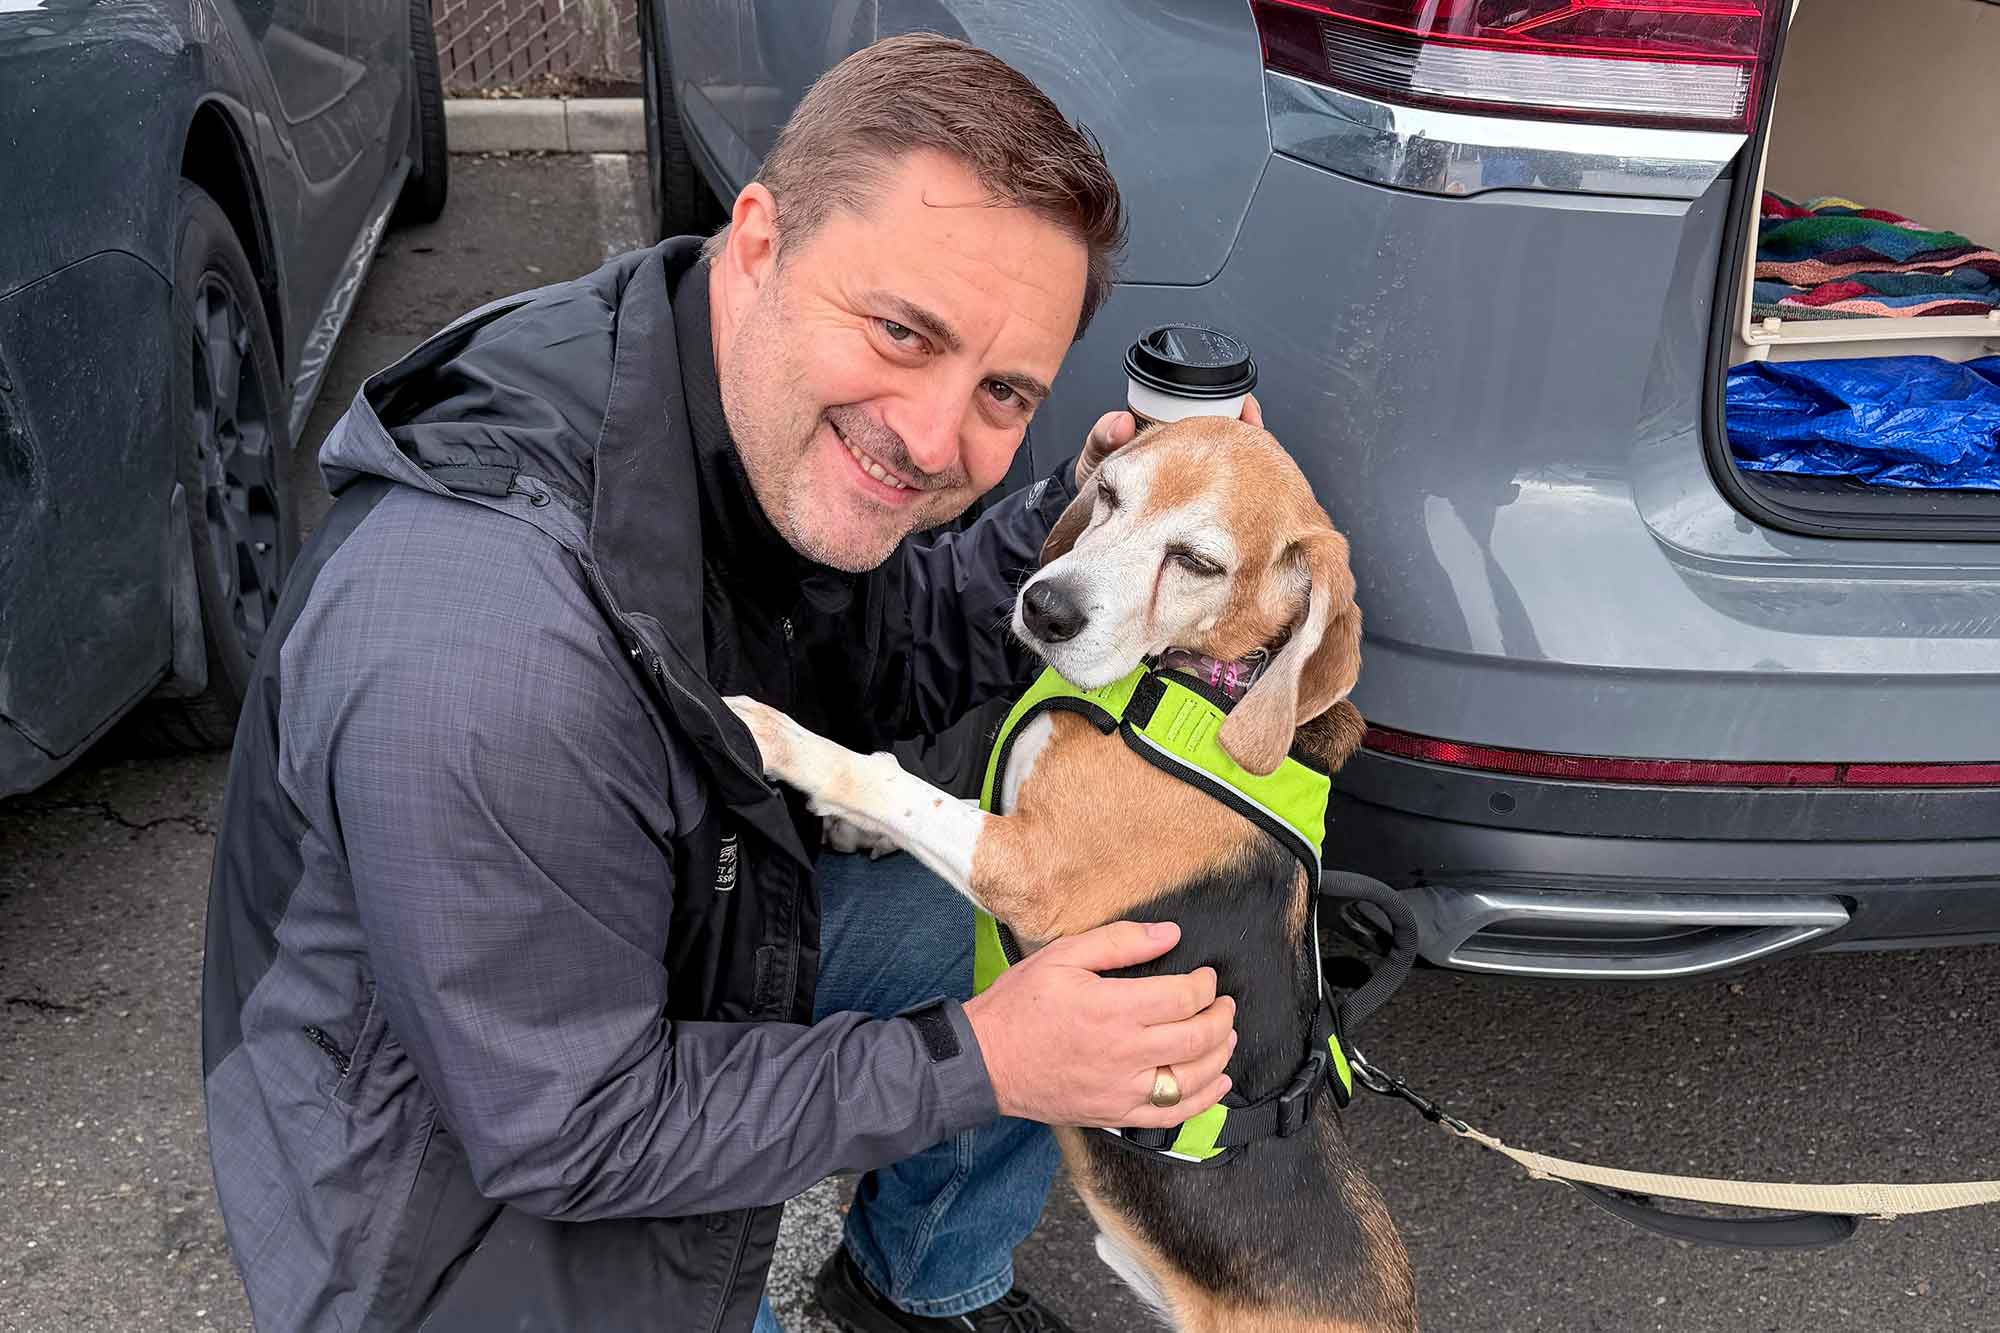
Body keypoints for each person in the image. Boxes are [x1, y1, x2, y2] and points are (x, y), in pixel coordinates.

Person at [201, 34, 1248, 1333]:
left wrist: (1087, 529)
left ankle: (918, 1285)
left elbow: (877, 640)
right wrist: (989, 1059)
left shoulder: (705, 395)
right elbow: (572, 1127)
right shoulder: (492, 653)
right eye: (902, 330)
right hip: (464, 1235)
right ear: (760, 237)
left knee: (1037, 933)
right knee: (1013, 1019)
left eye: (1002, 389)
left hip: (639, 951)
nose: (934, 438)